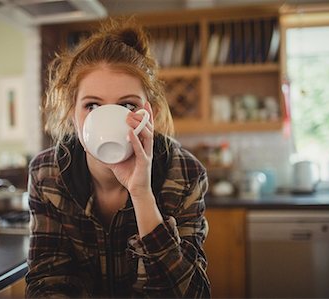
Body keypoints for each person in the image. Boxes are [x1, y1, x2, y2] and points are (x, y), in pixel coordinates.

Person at [25, 18, 211, 298]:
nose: (109, 118)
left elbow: (192, 294)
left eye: (127, 105)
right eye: (92, 106)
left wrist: (142, 194)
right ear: (72, 116)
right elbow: (48, 281)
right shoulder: (46, 174)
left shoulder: (184, 173)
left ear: (149, 113)